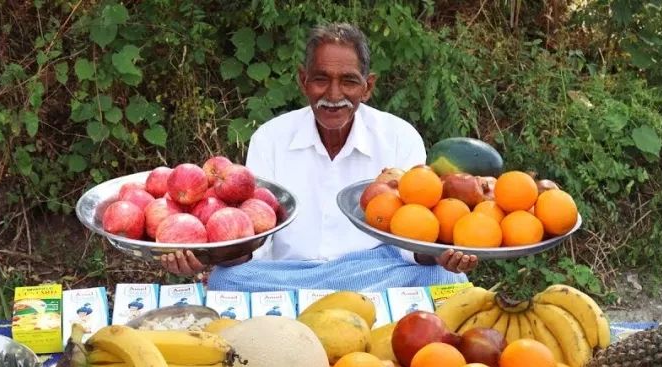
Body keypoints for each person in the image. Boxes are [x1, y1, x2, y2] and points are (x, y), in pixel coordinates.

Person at [160, 22, 478, 291]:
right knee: (226, 280)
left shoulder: (398, 136)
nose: (334, 95)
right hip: (285, 277)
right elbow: (257, 241)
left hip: (374, 272)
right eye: (321, 79)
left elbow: (411, 239)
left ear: (367, 87)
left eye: (349, 81)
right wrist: (208, 253)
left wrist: (438, 253)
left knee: (445, 277)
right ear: (304, 81)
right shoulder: (270, 139)